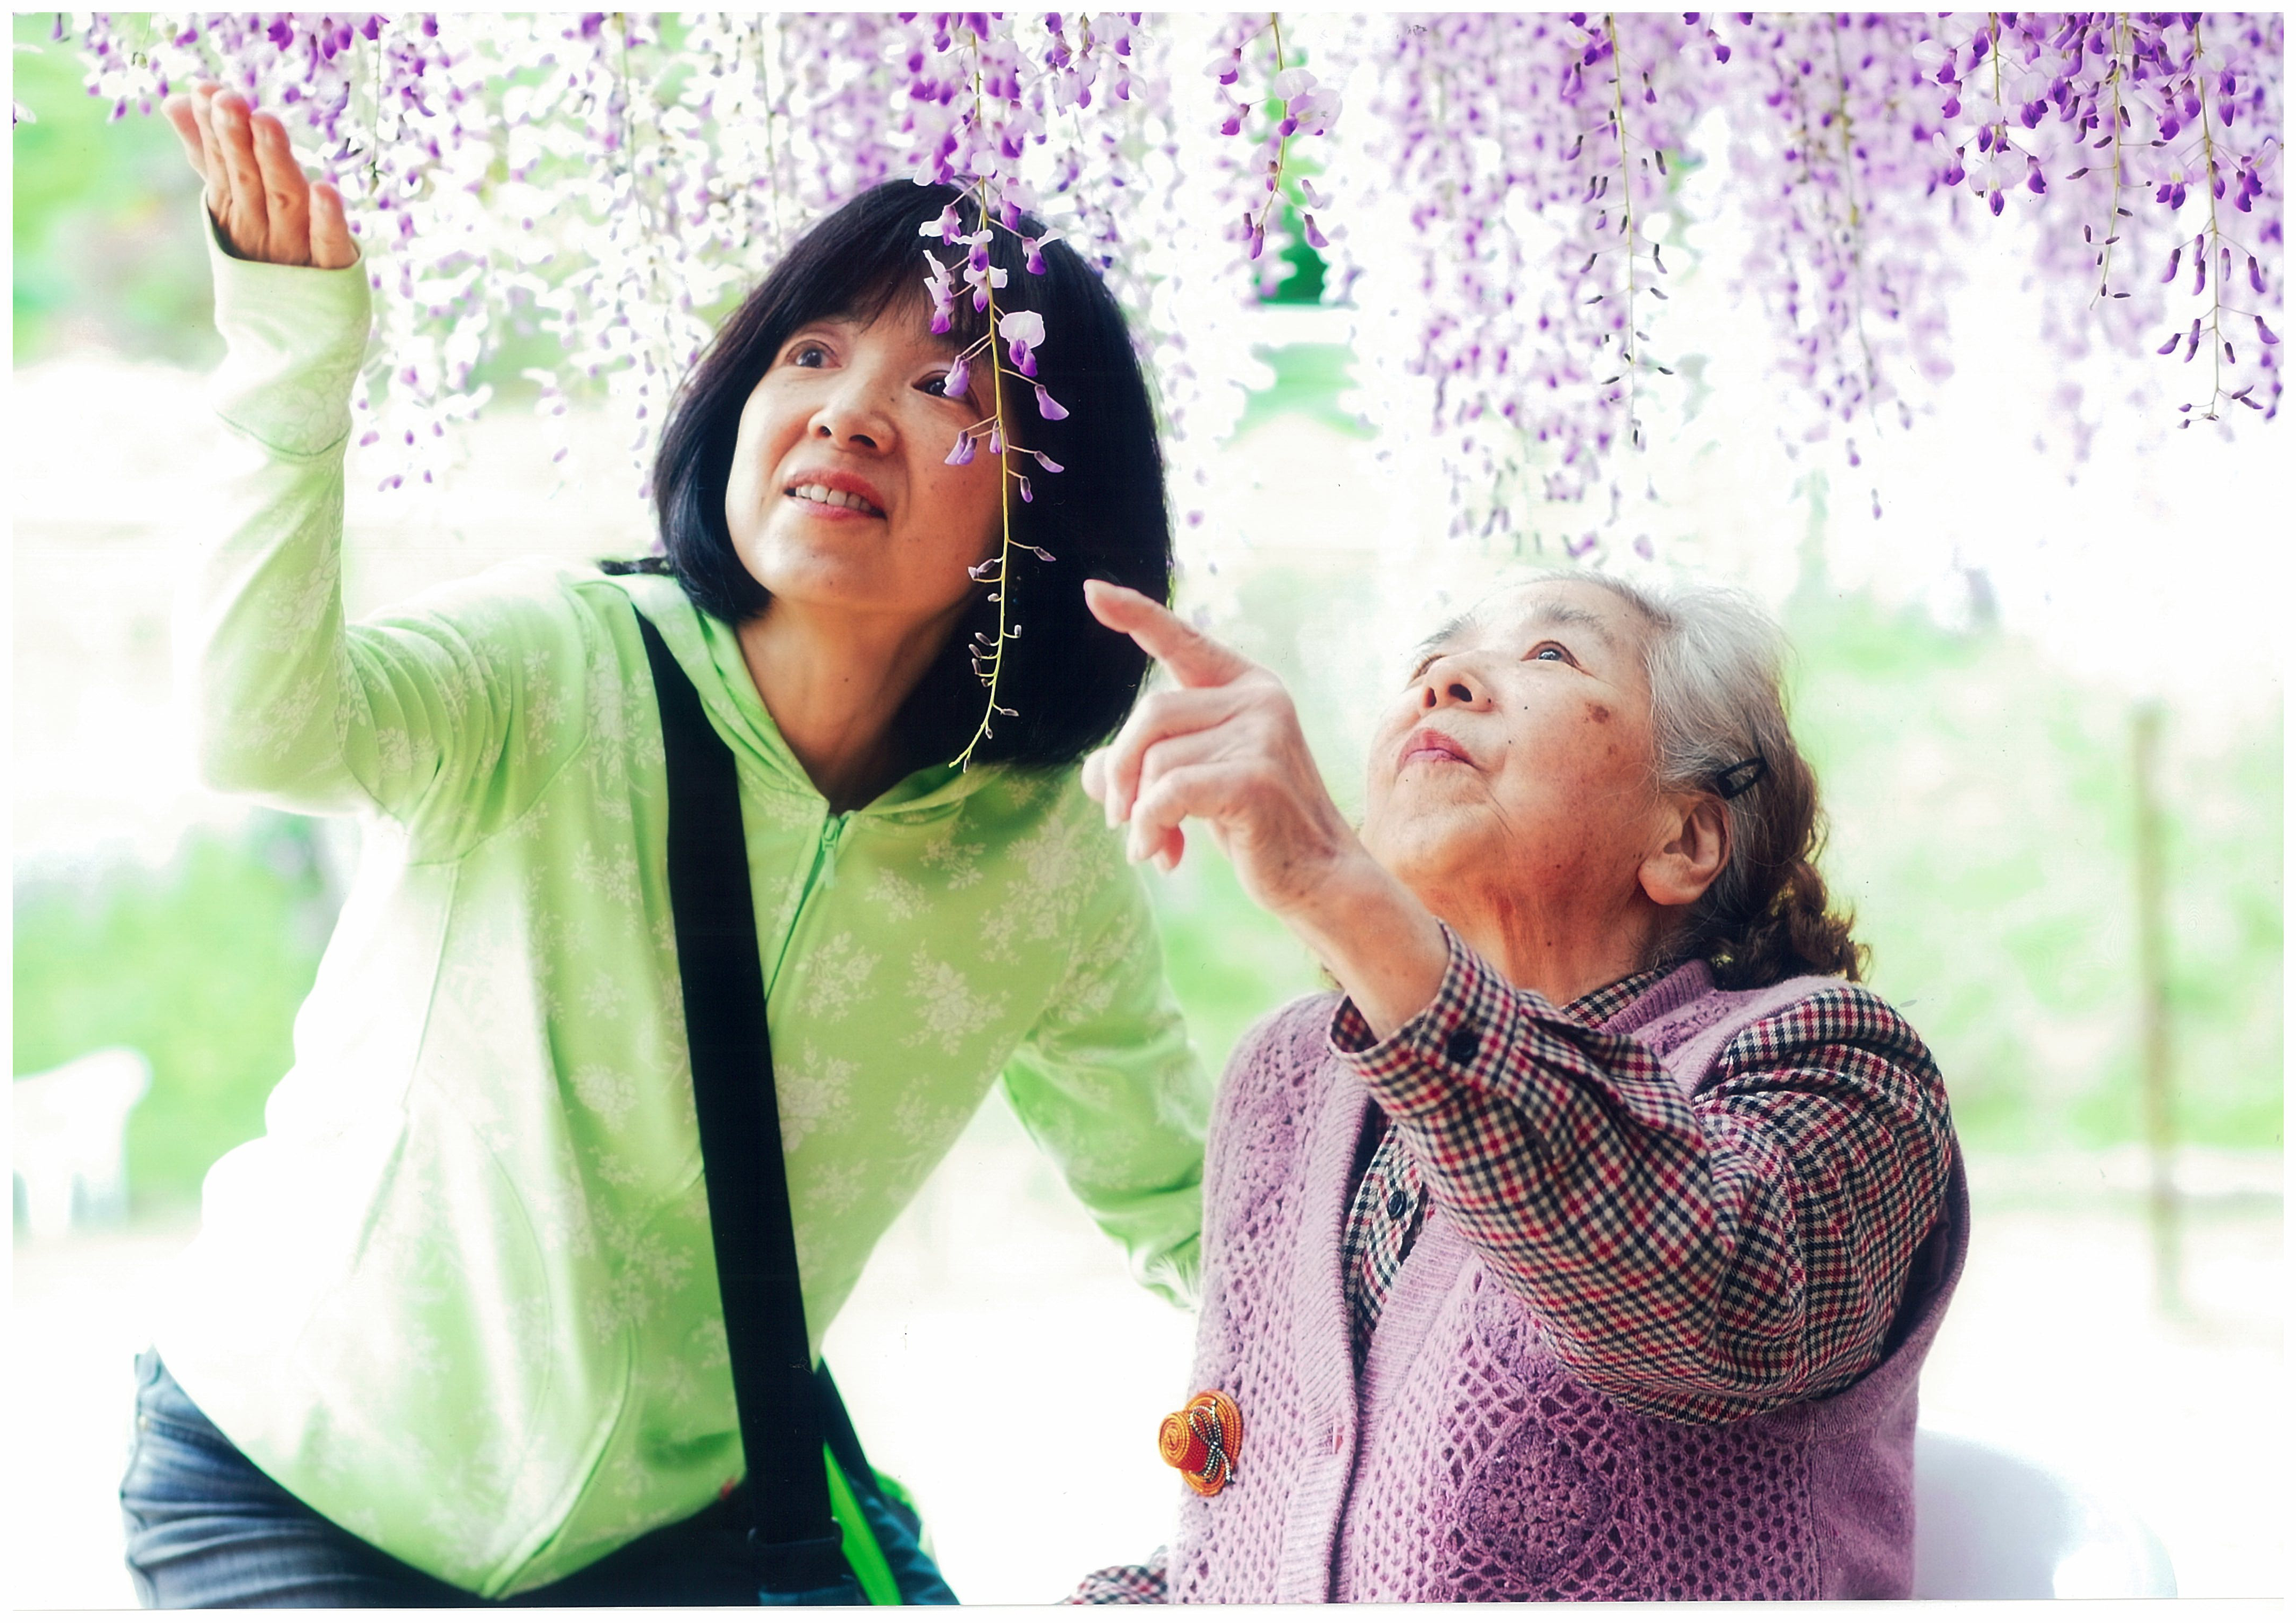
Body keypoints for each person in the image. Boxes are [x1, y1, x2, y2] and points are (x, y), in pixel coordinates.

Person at [119, 83, 1209, 1606]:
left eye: (952, 390)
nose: (848, 408)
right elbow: (259, 736)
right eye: (814, 352)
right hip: (299, 1479)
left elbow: (1185, 1209)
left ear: (1043, 511)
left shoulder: (1034, 862)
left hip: (678, 1536)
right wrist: (295, 365)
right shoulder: (555, 661)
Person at [1065, 571, 1964, 1602]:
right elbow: (1269, 1526)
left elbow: (1708, 1290)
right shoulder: (1289, 1081)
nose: (1446, 679)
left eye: (1552, 656)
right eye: (1432, 659)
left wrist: (1338, 895)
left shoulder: (1842, 1066)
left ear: (1685, 838)